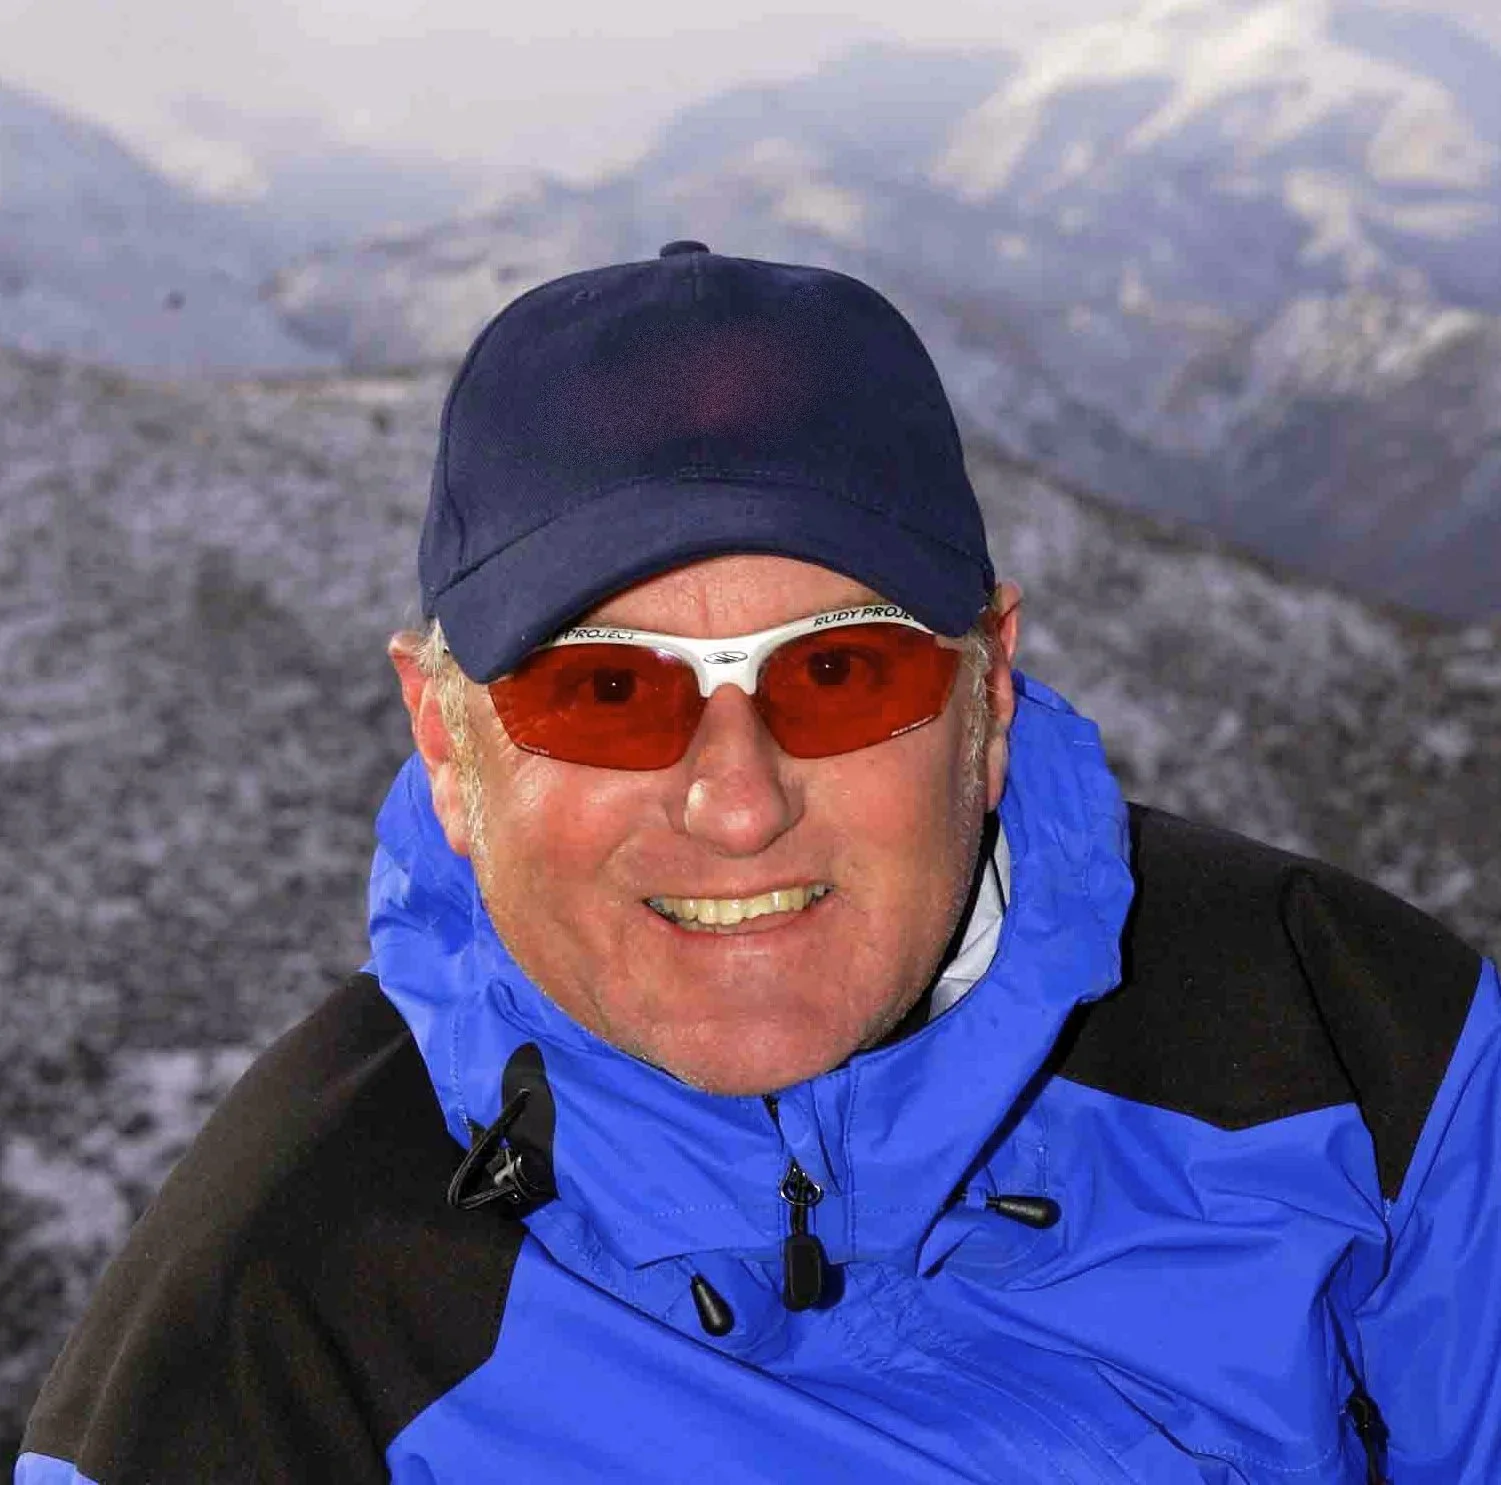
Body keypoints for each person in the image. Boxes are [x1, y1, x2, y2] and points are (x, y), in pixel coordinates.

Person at [16, 242, 1498, 1484]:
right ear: (447, 741)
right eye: (608, 691)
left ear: (986, 698)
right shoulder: (278, 1331)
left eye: (842, 674)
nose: (737, 802)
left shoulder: (1358, 1048)